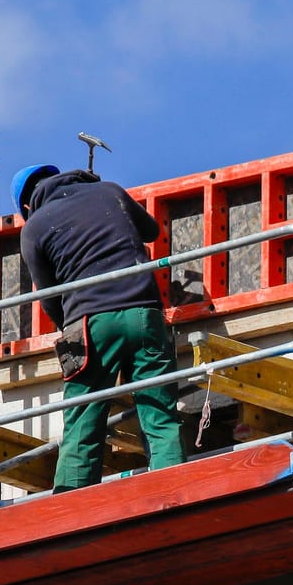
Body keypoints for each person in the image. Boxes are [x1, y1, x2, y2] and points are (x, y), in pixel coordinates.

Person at [14, 162, 186, 490]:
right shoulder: (109, 191)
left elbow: (50, 296)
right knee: (160, 416)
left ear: (26, 205)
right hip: (143, 312)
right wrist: (103, 193)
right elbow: (151, 231)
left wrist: (69, 331)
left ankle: (70, 509)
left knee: (82, 426)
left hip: (90, 323)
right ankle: (174, 492)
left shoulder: (33, 227)